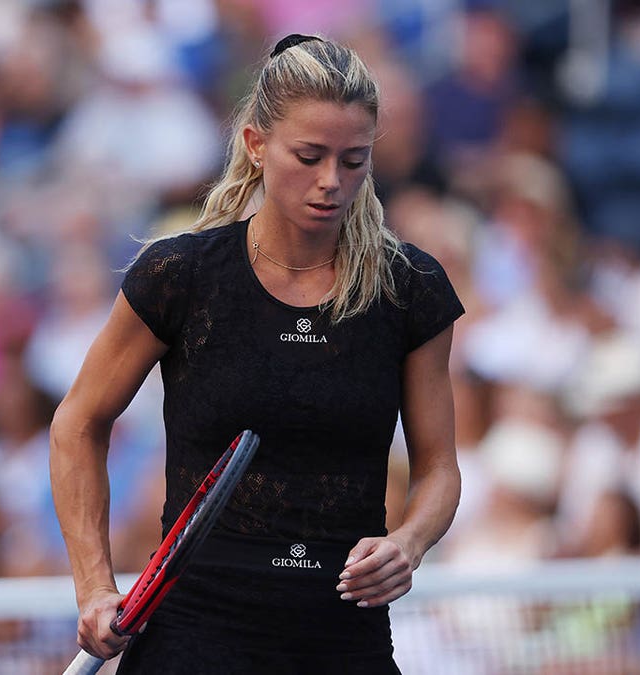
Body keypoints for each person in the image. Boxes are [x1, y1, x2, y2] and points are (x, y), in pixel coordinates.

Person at [50, 34, 464, 673]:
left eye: (354, 161)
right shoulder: (181, 275)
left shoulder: (410, 290)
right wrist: (95, 587)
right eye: (309, 155)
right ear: (255, 144)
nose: (332, 181)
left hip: (340, 635)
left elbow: (439, 467)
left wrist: (409, 543)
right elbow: (77, 424)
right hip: (194, 633)